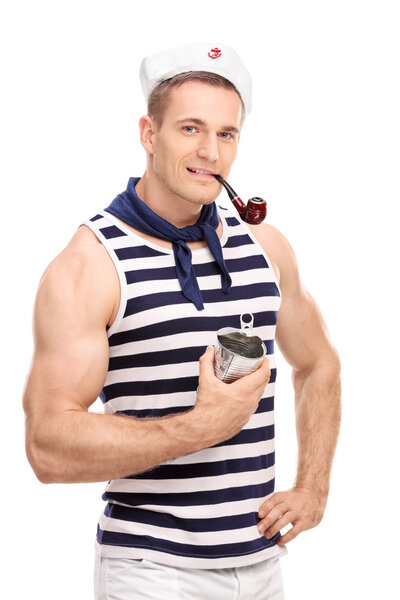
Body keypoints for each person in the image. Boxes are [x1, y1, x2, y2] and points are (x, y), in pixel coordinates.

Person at [23, 43, 341, 599]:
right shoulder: (91, 265)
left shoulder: (265, 246)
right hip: (153, 570)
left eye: (226, 133)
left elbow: (318, 363)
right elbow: (47, 446)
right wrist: (199, 427)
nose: (210, 152)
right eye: (190, 129)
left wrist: (313, 487)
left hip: (262, 563)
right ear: (149, 134)